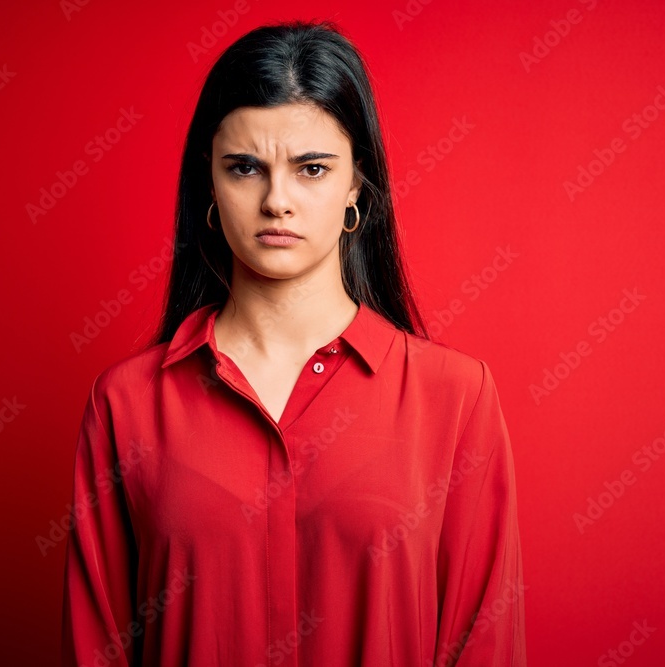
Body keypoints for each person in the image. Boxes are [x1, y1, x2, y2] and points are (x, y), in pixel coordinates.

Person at [61, 19, 526, 667]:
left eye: (311, 168)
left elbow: (484, 646)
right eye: (246, 167)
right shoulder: (125, 404)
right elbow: (97, 648)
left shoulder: (455, 398)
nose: (276, 199)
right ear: (211, 189)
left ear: (355, 187)